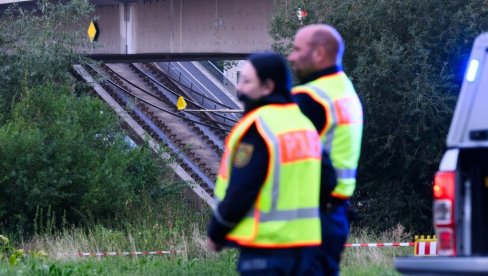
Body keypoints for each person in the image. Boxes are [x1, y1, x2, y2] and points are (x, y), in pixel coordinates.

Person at [207, 52, 328, 275]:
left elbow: (242, 189)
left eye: (246, 81)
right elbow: (329, 182)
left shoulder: (259, 127)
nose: (239, 89)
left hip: (267, 252)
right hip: (307, 251)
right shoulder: (305, 125)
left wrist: (216, 231)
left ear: (267, 86)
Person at [288, 24, 364, 275]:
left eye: (298, 50)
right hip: (335, 214)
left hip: (308, 219)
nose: (291, 57)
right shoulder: (344, 89)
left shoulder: (310, 98)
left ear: (319, 53)